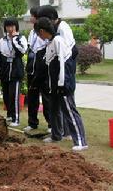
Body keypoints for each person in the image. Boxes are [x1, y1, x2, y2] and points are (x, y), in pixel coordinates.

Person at [34, 17, 88, 151]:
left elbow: (64, 64)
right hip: (53, 86)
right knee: (53, 111)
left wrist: (62, 84)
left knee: (69, 111)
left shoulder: (58, 41)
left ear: (42, 31)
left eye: (38, 34)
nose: (39, 37)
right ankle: (56, 135)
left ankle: (80, 141)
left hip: (63, 85)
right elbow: (48, 66)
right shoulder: (50, 43)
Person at [24, 7, 51, 132]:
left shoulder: (45, 33)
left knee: (46, 98)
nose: (31, 18)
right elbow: (30, 49)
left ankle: (51, 124)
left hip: (43, 71)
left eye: (32, 16)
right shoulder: (31, 33)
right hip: (31, 70)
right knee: (32, 97)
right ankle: (32, 122)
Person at [0, 17, 27, 127]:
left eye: (12, 26)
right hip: (5, 70)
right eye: (8, 26)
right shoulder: (2, 40)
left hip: (16, 70)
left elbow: (21, 52)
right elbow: (0, 56)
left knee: (14, 95)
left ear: (16, 27)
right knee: (6, 95)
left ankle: (16, 119)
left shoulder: (21, 38)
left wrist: (14, 39)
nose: (10, 28)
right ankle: (9, 115)